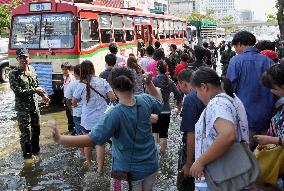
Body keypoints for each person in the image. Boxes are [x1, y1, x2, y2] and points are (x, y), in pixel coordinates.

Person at [49, 67, 163, 191]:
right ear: (134, 83)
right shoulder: (145, 99)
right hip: (151, 165)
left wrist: (60, 138)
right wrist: (149, 83)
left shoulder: (114, 113)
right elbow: (159, 103)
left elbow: (91, 140)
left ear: (113, 88)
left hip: (126, 173)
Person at [189, 67, 249, 190]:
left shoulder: (217, 104)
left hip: (217, 178)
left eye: (197, 91)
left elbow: (228, 136)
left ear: (204, 87)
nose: (198, 96)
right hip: (230, 174)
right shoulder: (233, 99)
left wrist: (200, 162)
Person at [227, 31, 275, 149]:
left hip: (244, 117)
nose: (235, 50)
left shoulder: (235, 61)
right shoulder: (269, 61)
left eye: (235, 47)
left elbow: (229, 90)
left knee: (246, 156)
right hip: (267, 117)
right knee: (265, 154)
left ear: (239, 44)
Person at [72, 60, 116, 171]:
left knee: (87, 142)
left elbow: (74, 102)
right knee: (100, 143)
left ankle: (89, 163)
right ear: (92, 69)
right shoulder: (102, 81)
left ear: (82, 71)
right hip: (102, 118)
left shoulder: (81, 85)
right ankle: (100, 169)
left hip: (87, 119)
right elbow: (112, 97)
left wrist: (79, 103)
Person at [9, 49, 50, 161]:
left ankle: (36, 151)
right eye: (21, 58)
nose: (23, 60)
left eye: (25, 57)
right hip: (23, 108)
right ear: (17, 59)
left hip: (34, 105)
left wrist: (43, 96)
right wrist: (34, 90)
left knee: (36, 129)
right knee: (25, 133)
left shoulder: (32, 69)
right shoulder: (13, 74)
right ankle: (27, 156)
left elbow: (36, 85)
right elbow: (18, 92)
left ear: (29, 58)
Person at [176, 69, 205, 191]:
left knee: (185, 184)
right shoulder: (204, 93)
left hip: (195, 151)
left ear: (183, 84)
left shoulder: (190, 99)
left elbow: (191, 133)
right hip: (207, 147)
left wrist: (188, 163)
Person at [152, 61, 182, 153]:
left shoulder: (154, 81)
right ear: (166, 70)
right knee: (164, 133)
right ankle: (162, 153)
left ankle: (155, 152)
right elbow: (178, 94)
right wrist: (178, 104)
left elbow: (146, 94)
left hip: (155, 110)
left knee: (154, 130)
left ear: (157, 69)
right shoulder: (170, 82)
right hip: (166, 111)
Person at [61, 62, 76, 134]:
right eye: (63, 69)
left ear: (69, 70)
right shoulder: (65, 78)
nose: (64, 71)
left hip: (70, 100)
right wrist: (64, 98)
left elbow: (72, 90)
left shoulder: (71, 78)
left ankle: (73, 129)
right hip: (67, 99)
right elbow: (65, 88)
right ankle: (71, 129)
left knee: (71, 114)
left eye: (65, 69)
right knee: (68, 114)